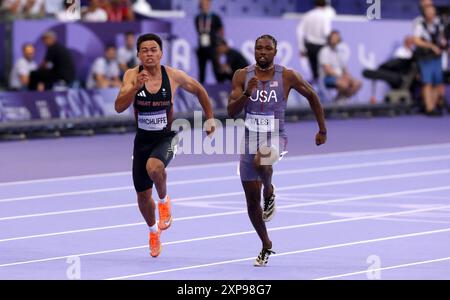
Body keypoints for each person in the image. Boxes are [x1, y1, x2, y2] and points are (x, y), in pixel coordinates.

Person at [227, 34, 327, 266]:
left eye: (267, 49)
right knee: (252, 203)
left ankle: (269, 190)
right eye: (258, 48)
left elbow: (312, 95)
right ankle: (266, 244)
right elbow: (231, 112)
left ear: (275, 51)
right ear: (254, 51)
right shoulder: (242, 75)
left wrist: (322, 129)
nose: (262, 52)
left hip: (275, 136)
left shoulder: (288, 76)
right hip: (250, 138)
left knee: (262, 161)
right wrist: (246, 94)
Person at [114, 33, 215, 258]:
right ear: (138, 54)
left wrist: (209, 118)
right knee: (141, 196)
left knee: (155, 167)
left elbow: (200, 90)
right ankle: (152, 232)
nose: (149, 54)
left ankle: (164, 201)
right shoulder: (132, 75)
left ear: (161, 53)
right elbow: (119, 107)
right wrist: (134, 89)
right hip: (142, 141)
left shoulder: (173, 76)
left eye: (153, 50)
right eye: (144, 50)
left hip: (166, 137)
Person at [413, 3, 447, 116]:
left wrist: (443, 43)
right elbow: (416, 40)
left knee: (437, 82)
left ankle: (434, 106)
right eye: (428, 11)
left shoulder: (439, 22)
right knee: (427, 82)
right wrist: (431, 46)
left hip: (437, 56)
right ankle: (429, 108)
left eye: (432, 11)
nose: (431, 14)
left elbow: (442, 37)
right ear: (424, 12)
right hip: (425, 57)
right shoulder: (419, 23)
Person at [296, 0, 336, 83]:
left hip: (310, 46)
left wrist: (301, 47)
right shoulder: (325, 16)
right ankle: (319, 93)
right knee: (321, 73)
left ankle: (315, 91)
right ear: (325, 5)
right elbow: (326, 32)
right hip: (321, 46)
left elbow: (299, 31)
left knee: (314, 72)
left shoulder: (308, 15)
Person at [318, 30, 362, 101]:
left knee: (357, 83)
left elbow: (345, 68)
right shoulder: (324, 51)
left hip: (340, 77)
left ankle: (339, 101)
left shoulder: (339, 52)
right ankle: (338, 104)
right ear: (330, 38)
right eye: (333, 37)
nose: (335, 39)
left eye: (337, 37)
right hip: (327, 78)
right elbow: (327, 70)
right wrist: (342, 77)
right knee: (344, 84)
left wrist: (349, 77)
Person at [194, 0, 223, 83]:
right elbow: (198, 31)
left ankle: (220, 87)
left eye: (206, 4)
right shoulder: (197, 18)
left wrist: (219, 42)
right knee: (201, 70)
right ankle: (201, 89)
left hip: (213, 47)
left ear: (209, 5)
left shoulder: (215, 17)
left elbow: (221, 30)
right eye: (202, 4)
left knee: (216, 68)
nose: (204, 5)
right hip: (202, 47)